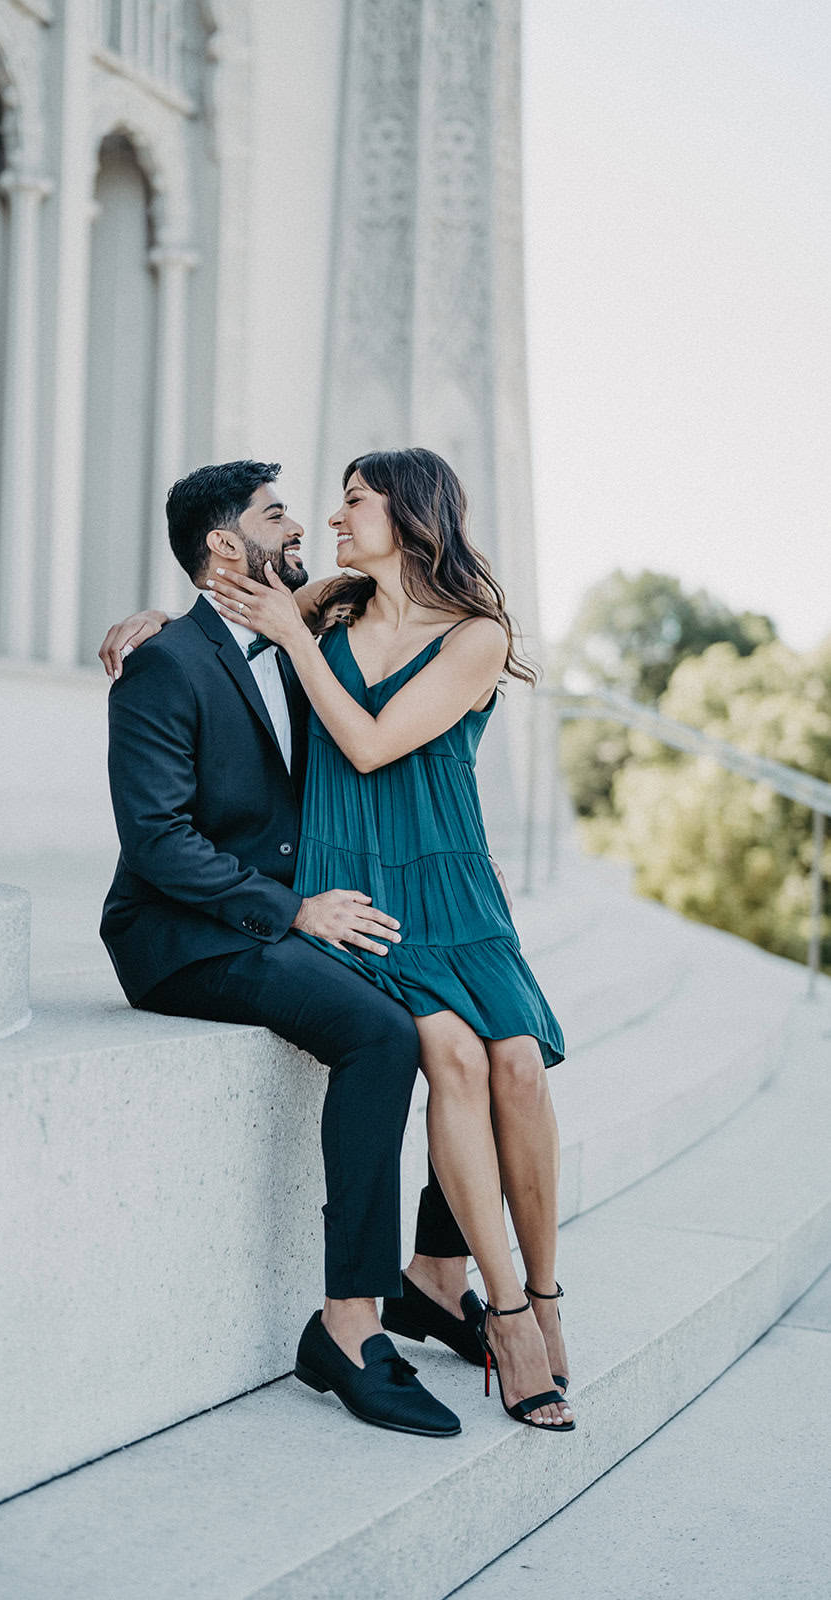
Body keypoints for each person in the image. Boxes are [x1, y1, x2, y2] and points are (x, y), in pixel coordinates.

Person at [105, 449, 574, 1431]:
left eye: (343, 503)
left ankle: (482, 1285)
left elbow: (345, 689)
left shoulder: (365, 622)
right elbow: (160, 824)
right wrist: (156, 623)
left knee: (504, 1055)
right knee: (418, 1042)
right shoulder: (254, 633)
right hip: (270, 902)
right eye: (289, 512)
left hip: (409, 880)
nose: (317, 521)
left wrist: (244, 618)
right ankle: (405, 1317)